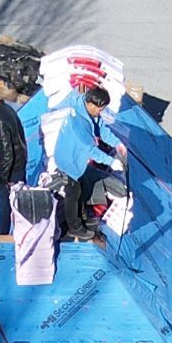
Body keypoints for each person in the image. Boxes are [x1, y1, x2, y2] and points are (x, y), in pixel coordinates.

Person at [47, 83, 122, 241]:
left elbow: (100, 128)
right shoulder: (79, 123)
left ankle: (81, 217)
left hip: (76, 157)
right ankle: (75, 227)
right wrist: (111, 162)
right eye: (99, 109)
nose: (99, 113)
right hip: (70, 161)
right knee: (73, 194)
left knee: (80, 190)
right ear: (91, 103)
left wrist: (117, 143)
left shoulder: (88, 110)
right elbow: (91, 150)